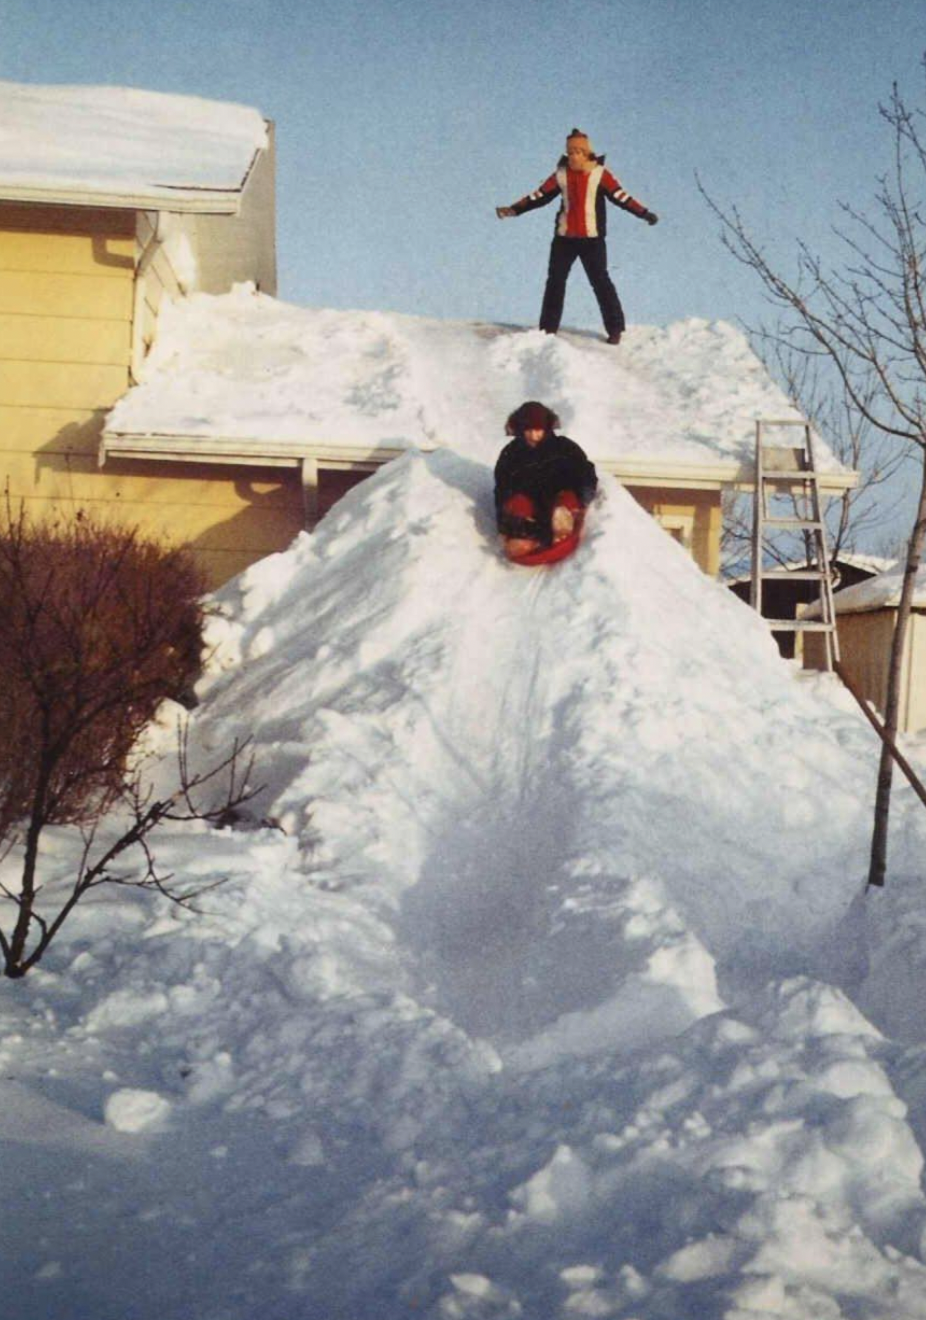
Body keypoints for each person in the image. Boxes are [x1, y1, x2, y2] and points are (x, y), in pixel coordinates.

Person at [496, 128, 658, 344]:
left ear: (587, 153)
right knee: (555, 281)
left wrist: (644, 213)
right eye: (570, 152)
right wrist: (514, 209)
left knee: (600, 281)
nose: (573, 156)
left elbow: (621, 197)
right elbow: (540, 195)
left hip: (592, 240)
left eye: (578, 152)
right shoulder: (560, 174)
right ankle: (547, 330)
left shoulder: (600, 174)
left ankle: (616, 329)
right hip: (564, 239)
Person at [495, 401, 598, 560]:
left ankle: (562, 525)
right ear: (520, 430)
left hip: (557, 498)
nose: (534, 436)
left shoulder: (564, 447)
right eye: (528, 430)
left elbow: (585, 473)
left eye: (538, 430)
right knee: (517, 504)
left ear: (547, 429)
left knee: (565, 500)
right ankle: (525, 540)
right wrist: (504, 517)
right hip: (531, 509)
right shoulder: (511, 453)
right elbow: (502, 487)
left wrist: (584, 497)